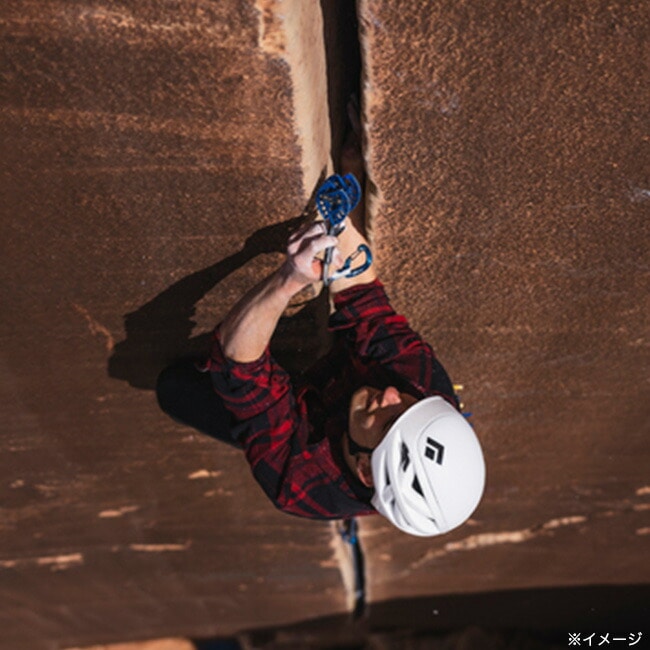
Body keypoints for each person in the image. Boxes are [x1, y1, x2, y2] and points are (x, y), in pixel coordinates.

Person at [157, 104, 485, 536]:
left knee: (175, 390)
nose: (393, 395)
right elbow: (365, 300)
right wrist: (345, 194)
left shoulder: (302, 481)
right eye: (410, 406)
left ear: (365, 471)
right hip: (337, 399)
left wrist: (289, 281)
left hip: (301, 432)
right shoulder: (421, 386)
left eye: (391, 420)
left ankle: (277, 410)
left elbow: (237, 367)